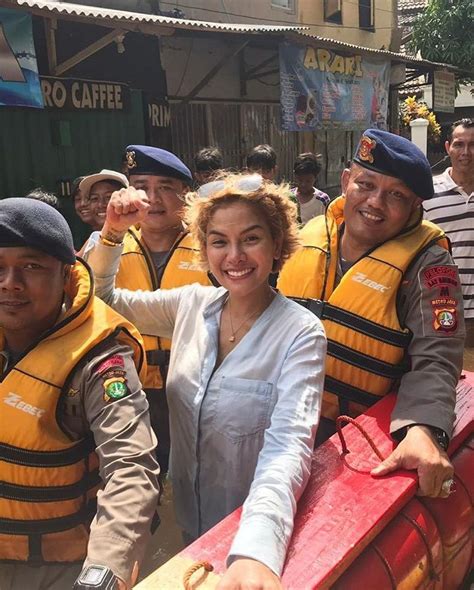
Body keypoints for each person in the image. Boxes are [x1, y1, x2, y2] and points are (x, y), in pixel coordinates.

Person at [86, 172, 326, 589]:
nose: (234, 256)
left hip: (254, 527)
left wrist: (256, 551)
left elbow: (288, 446)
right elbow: (104, 300)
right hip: (190, 517)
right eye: (219, 241)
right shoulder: (192, 304)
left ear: (277, 245)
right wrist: (112, 233)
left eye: (250, 239)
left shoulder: (301, 333)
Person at [278, 129, 465, 499]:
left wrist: (424, 428)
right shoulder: (308, 234)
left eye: (396, 195)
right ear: (346, 181)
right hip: (283, 419)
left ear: (415, 207)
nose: (375, 203)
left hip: (358, 432)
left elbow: (437, 356)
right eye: (366, 184)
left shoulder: (428, 264)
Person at [0, 199, 160, 590]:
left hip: (57, 567)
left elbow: (131, 468)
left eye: (32, 266)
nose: (10, 282)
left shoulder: (101, 361)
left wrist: (105, 570)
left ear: (67, 275)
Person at [83, 146, 212, 473]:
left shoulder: (212, 245)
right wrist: (111, 232)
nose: (153, 198)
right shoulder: (107, 243)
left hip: (197, 384)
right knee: (134, 471)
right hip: (126, 385)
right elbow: (90, 301)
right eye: (141, 186)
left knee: (198, 470)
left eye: (166, 188)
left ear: (186, 194)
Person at [424, 118, 474, 345]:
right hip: (444, 308)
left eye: (473, 145)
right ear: (447, 148)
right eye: (459, 144)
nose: (466, 152)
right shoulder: (428, 195)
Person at [292, 152, 330, 224]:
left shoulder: (322, 200)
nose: (303, 184)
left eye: (308, 181)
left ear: (315, 178)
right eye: (300, 180)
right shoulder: (288, 197)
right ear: (295, 176)